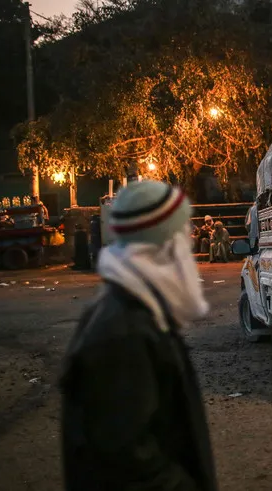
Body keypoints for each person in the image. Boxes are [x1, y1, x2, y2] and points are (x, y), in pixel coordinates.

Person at [59, 180, 216, 491]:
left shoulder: (137, 307)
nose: (189, 242)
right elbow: (127, 460)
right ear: (161, 243)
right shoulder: (123, 331)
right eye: (182, 232)